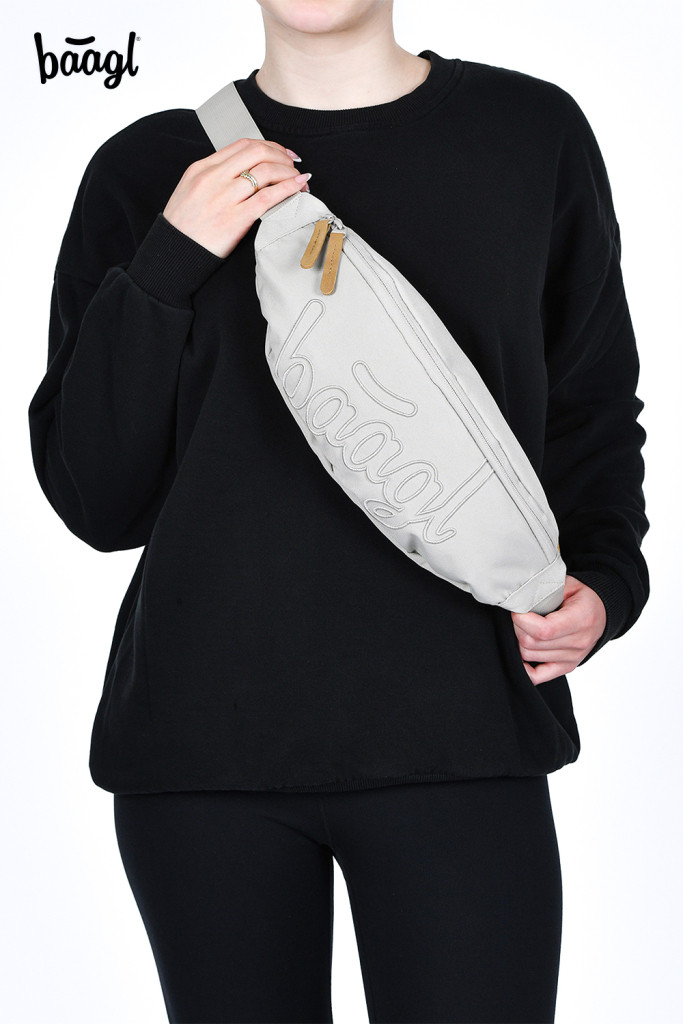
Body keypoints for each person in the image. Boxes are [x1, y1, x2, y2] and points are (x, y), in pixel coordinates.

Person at [27, 1, 649, 1021]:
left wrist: (605, 579)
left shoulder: (527, 133)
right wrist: (172, 257)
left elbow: (589, 402)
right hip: (202, 752)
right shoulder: (144, 170)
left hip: (461, 730)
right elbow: (96, 497)